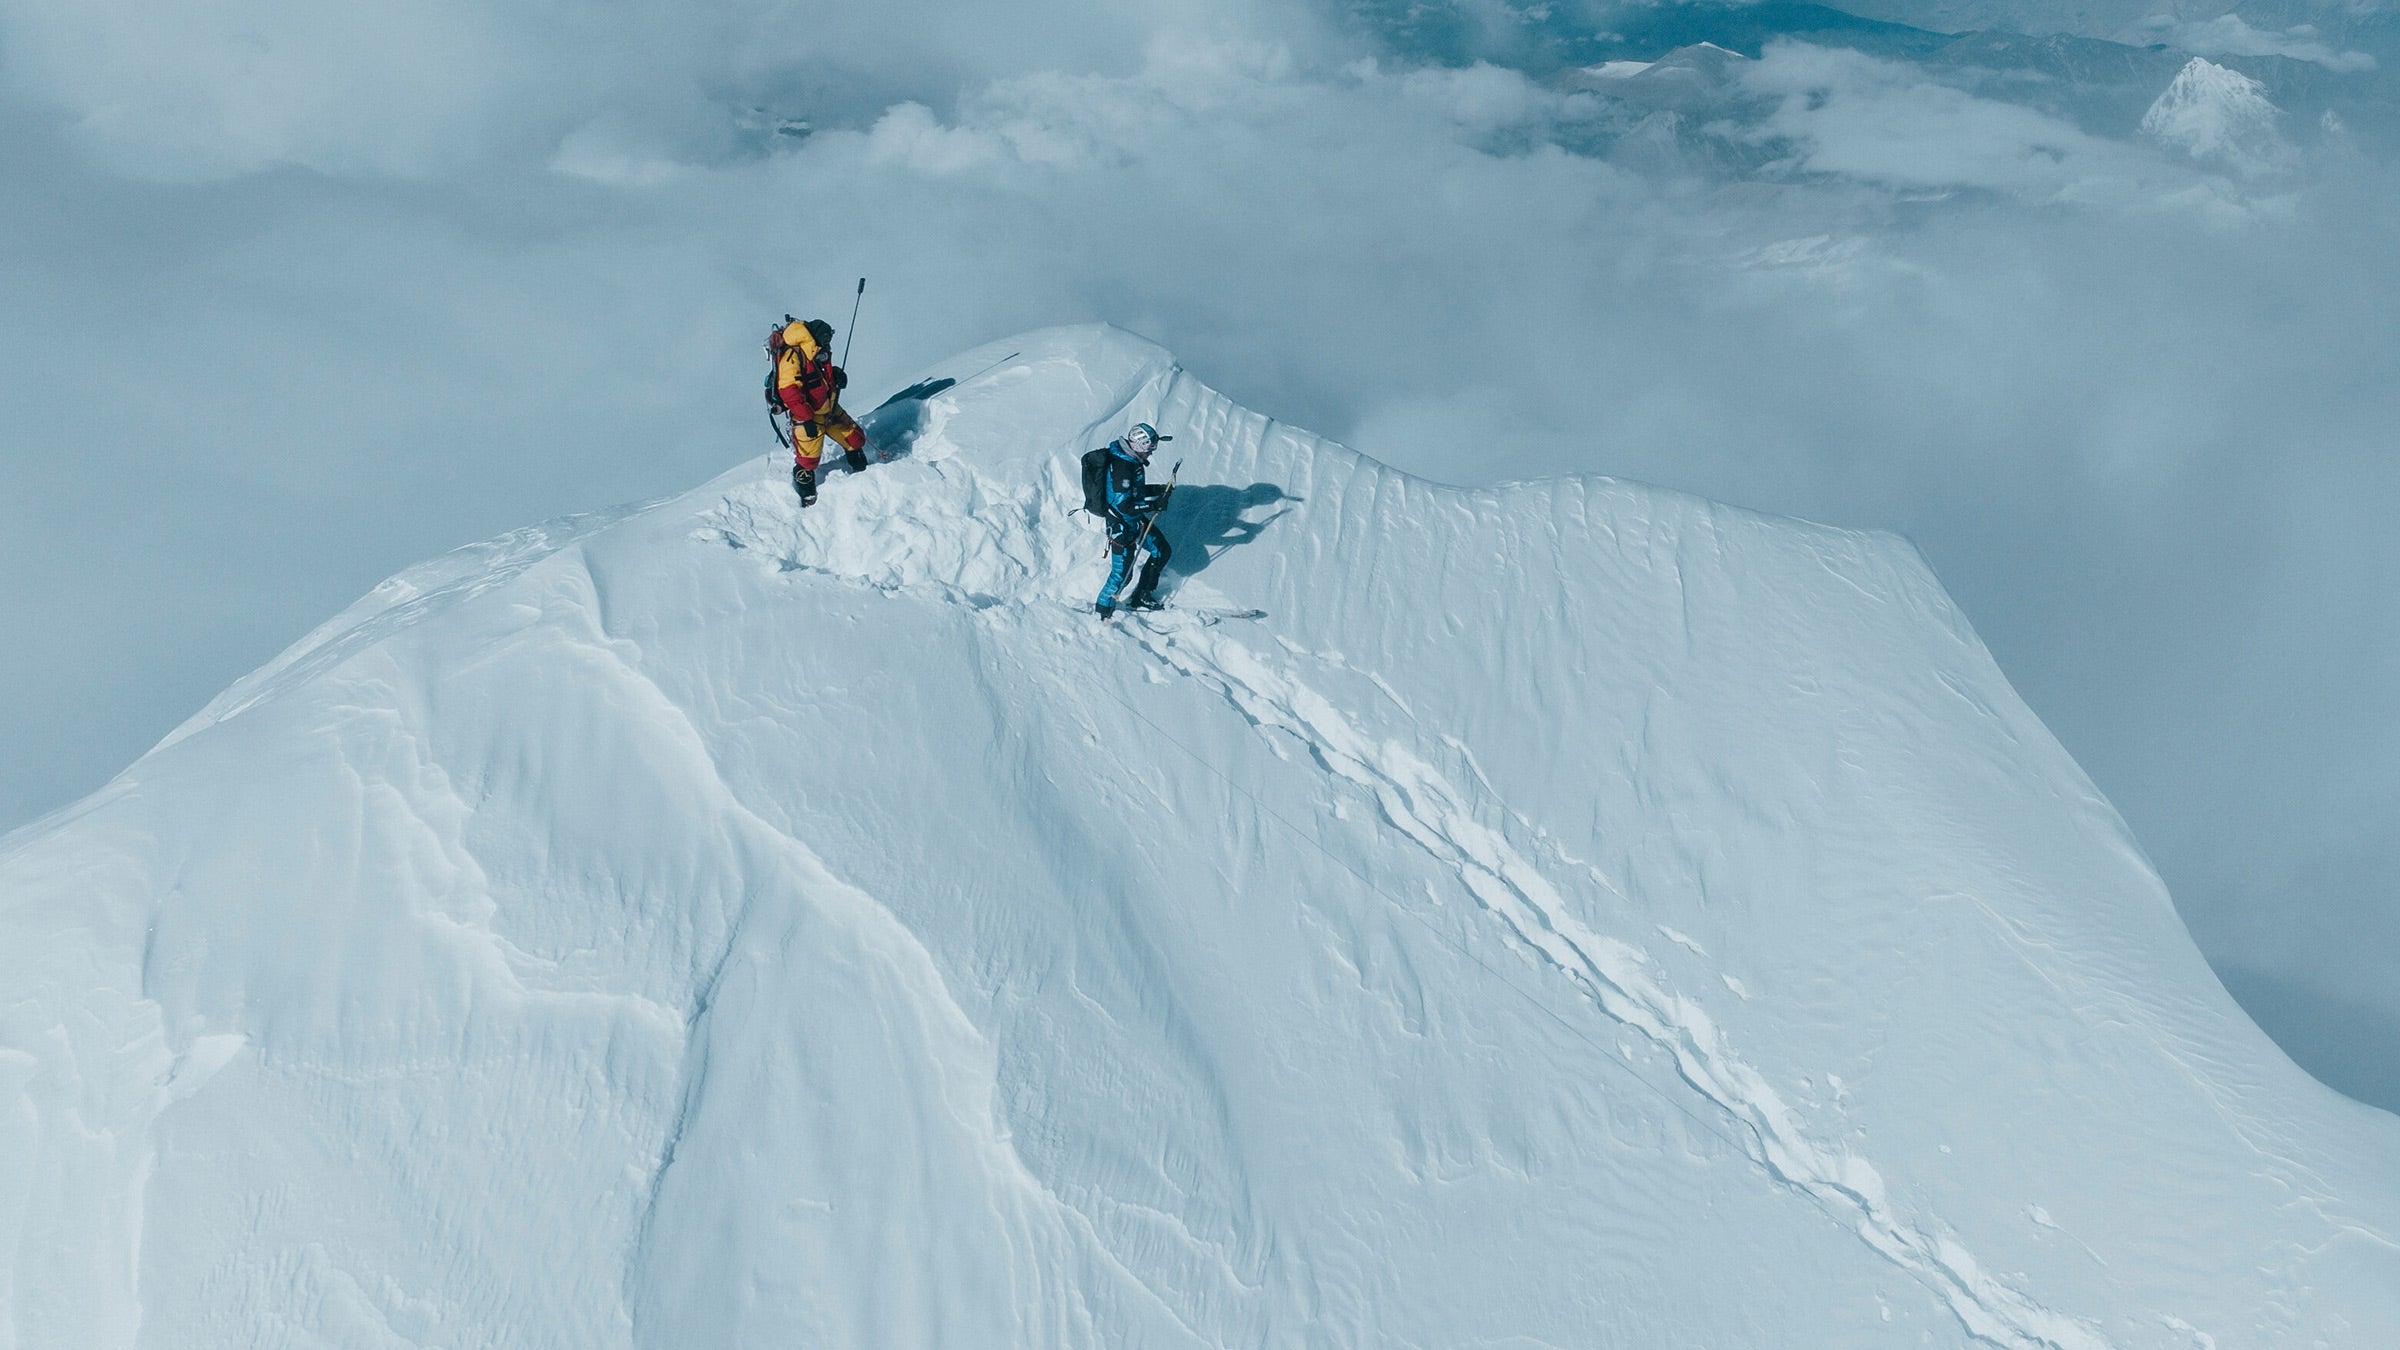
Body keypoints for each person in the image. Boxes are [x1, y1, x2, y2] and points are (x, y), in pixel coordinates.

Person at [766, 317, 870, 506]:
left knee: (855, 438)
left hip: (829, 407)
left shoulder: (813, 350)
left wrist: (837, 375)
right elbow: (789, 392)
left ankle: (864, 473)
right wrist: (806, 419)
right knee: (808, 460)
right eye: (826, 340)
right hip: (808, 417)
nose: (828, 345)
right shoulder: (793, 356)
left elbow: (820, 374)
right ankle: (805, 493)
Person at [1095, 422, 1175, 617]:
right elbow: (1124, 505)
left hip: (1135, 521)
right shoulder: (1122, 466)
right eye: (1149, 448)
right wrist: (1154, 506)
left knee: (1161, 550)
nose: (1151, 452)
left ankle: (1141, 595)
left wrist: (1158, 490)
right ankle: (1102, 612)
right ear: (1139, 445)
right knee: (1121, 575)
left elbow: (1135, 491)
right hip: (1122, 527)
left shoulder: (1131, 461)